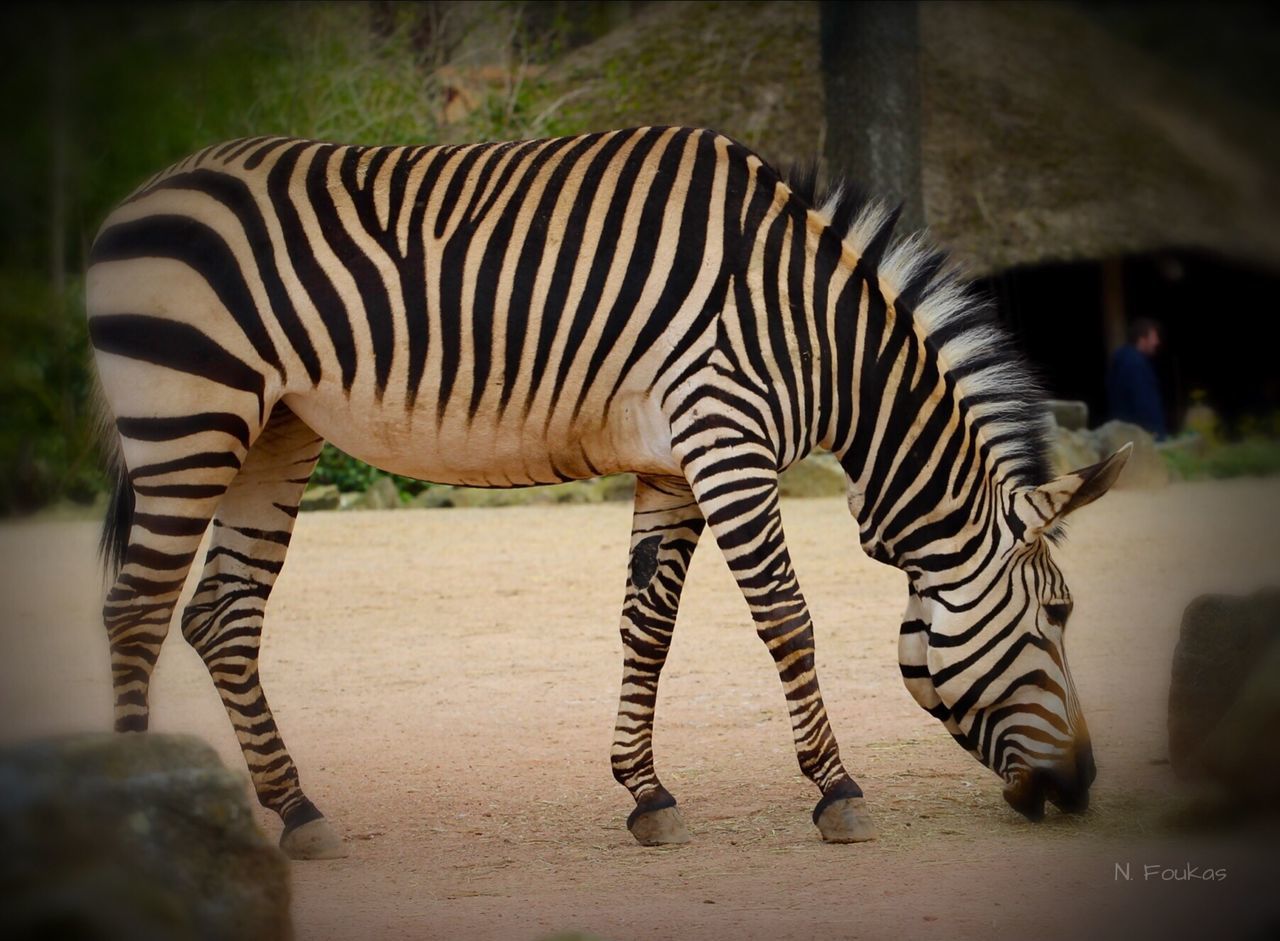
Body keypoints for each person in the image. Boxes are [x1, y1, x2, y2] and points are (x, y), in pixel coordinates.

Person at [1107, 318, 1166, 439]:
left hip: (1128, 433)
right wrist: (1153, 431)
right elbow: (1143, 402)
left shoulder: (1125, 359)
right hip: (1142, 436)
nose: (1157, 342)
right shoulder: (1134, 364)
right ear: (1142, 339)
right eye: (1154, 337)